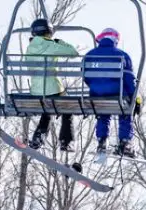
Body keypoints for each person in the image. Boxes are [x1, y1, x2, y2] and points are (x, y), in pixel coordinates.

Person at [83, 28, 138, 158]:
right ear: (115, 40)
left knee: (103, 112)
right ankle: (125, 142)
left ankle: (102, 141)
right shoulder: (122, 55)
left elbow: (85, 76)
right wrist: (133, 97)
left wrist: (96, 87)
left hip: (97, 94)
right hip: (117, 93)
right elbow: (129, 79)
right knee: (125, 110)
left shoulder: (89, 55)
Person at [26, 19, 78, 151]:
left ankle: (38, 138)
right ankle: (66, 141)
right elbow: (73, 52)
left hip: (36, 91)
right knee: (67, 107)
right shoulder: (50, 45)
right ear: (49, 32)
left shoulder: (30, 47)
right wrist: (60, 42)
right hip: (52, 89)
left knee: (48, 111)